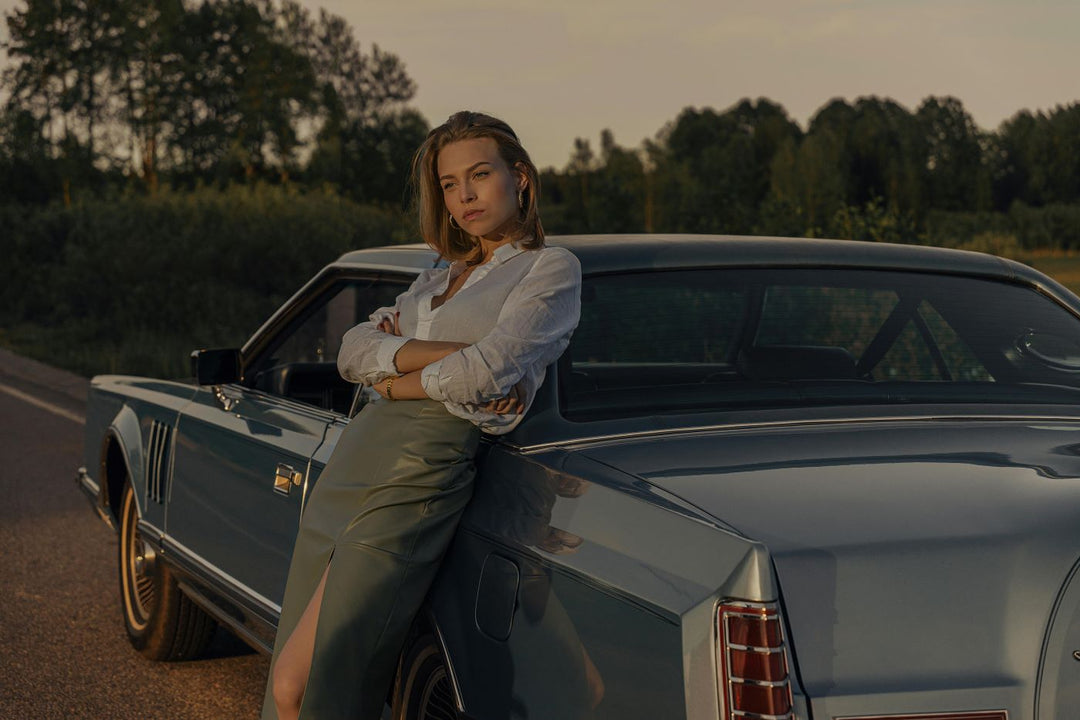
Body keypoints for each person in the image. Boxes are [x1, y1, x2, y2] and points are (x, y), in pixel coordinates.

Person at [262, 111, 582, 720]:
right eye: (448, 183)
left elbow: (489, 374)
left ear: (520, 179)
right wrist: (448, 362)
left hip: (424, 468)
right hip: (357, 458)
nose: (464, 195)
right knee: (289, 674)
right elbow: (354, 354)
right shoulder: (435, 277)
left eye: (480, 175)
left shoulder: (550, 269)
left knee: (307, 682)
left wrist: (398, 381)